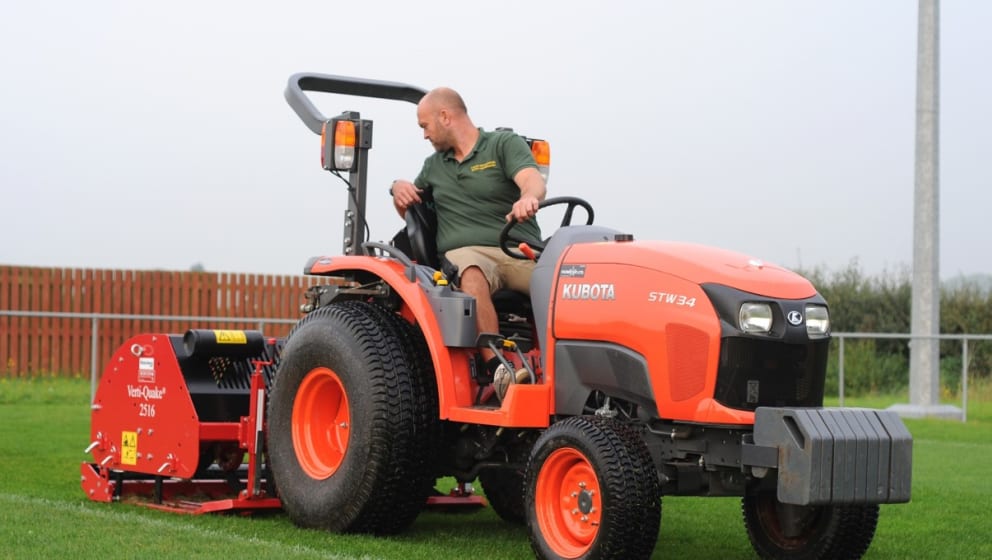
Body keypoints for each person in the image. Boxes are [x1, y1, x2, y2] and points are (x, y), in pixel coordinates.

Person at [390, 87, 547, 387]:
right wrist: (398, 188)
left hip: (517, 251)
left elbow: (532, 180)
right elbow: (414, 213)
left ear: (445, 117)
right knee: (470, 270)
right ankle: (499, 370)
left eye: (425, 126)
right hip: (469, 255)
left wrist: (528, 197)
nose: (424, 135)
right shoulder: (433, 166)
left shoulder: (502, 144)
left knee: (566, 285)